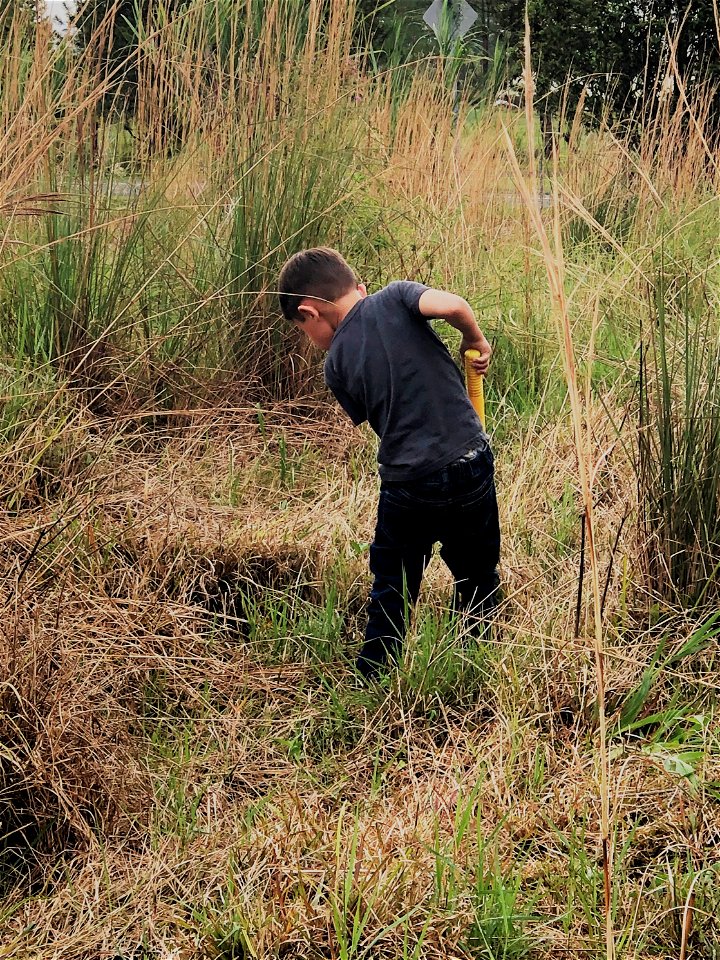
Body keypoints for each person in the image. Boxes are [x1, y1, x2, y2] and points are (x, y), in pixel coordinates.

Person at [278, 247, 500, 679]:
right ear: (358, 288)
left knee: (392, 588)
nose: (311, 339)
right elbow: (454, 305)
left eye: (303, 329)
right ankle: (473, 662)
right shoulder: (397, 295)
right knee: (477, 574)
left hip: (409, 484)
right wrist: (474, 340)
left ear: (310, 312)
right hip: (471, 460)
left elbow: (373, 415)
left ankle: (375, 675)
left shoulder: (334, 364)